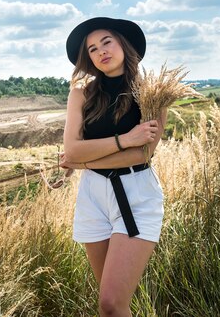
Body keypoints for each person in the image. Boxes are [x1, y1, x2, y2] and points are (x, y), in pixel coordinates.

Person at [59, 17, 167, 316]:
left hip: (136, 193)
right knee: (112, 306)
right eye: (92, 49)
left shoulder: (152, 92)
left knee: (111, 303)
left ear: (122, 42)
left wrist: (83, 162)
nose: (101, 51)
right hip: (93, 195)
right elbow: (71, 149)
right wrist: (125, 139)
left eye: (106, 41)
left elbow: (142, 155)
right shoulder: (81, 93)